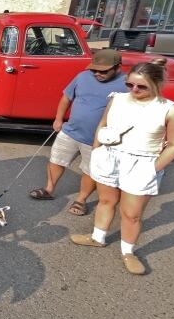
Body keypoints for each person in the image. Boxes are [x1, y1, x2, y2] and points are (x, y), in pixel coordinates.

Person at [70, 58, 174, 275]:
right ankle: (97, 237)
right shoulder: (117, 99)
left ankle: (128, 252)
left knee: (131, 213)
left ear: (156, 84)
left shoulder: (169, 109)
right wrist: (97, 150)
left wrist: (154, 167)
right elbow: (103, 124)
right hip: (109, 156)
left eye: (141, 86)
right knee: (106, 201)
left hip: (142, 162)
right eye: (129, 84)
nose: (134, 89)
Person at [29, 49, 127, 218]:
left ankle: (81, 200)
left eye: (103, 71)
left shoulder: (127, 84)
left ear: (117, 67)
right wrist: (58, 119)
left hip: (97, 139)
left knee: (90, 171)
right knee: (56, 160)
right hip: (70, 131)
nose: (97, 74)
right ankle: (49, 189)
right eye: (94, 69)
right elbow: (67, 97)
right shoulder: (82, 77)